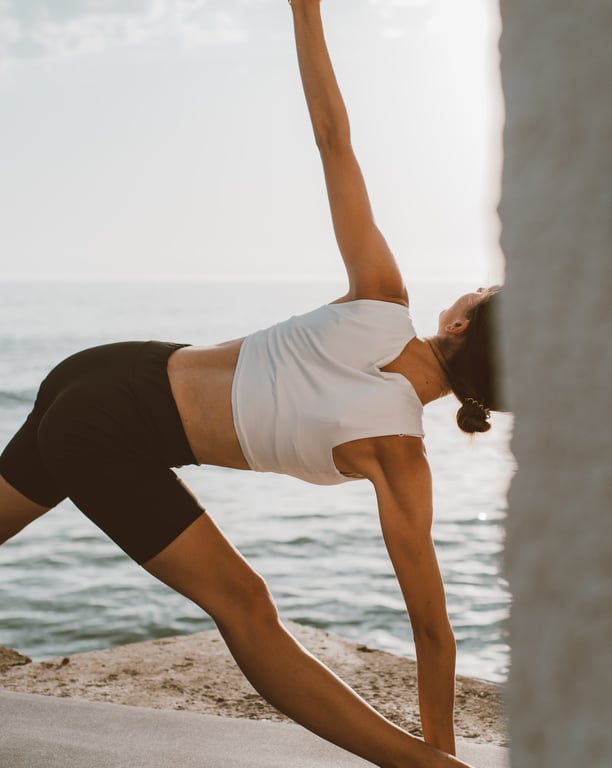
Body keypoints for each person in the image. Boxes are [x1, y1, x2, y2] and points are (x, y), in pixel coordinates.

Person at [0, 2, 503, 767]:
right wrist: (438, 749)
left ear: (462, 326)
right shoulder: (400, 455)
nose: (471, 289)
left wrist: (306, 13)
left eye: (480, 293)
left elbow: (333, 137)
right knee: (247, 609)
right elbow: (432, 630)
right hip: (112, 425)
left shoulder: (380, 298)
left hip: (110, 374)